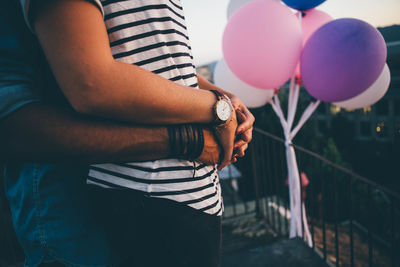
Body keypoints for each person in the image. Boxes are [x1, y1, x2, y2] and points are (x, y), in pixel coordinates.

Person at [3, 0, 254, 266]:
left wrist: (222, 98)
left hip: (186, 194)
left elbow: (152, 60)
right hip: (104, 206)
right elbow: (90, 84)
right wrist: (211, 114)